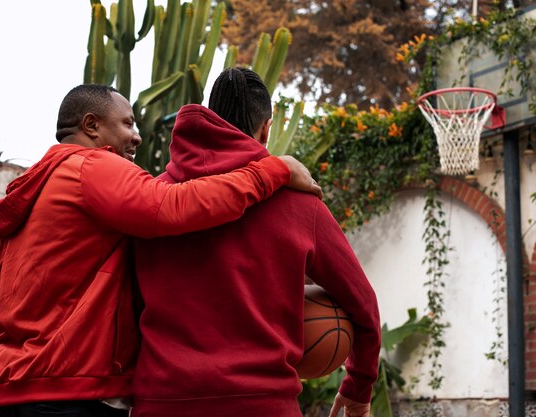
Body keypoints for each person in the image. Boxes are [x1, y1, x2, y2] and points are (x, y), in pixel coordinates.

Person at [0, 84, 322, 417]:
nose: (137, 135)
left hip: (5, 390)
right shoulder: (91, 166)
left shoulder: (23, 196)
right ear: (92, 126)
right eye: (127, 123)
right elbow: (172, 205)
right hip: (67, 393)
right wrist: (273, 170)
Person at [132, 67, 381, 417]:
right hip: (264, 404)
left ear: (210, 117)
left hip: (162, 403)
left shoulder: (151, 200)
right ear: (266, 128)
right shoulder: (300, 204)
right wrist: (358, 387)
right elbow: (363, 304)